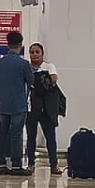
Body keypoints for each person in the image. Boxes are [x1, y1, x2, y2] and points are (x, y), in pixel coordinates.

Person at [0, 31, 34, 176]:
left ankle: (1, 164)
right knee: (16, 135)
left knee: (2, 134)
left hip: (3, 105)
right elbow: (31, 81)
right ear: (20, 45)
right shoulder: (23, 64)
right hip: (18, 105)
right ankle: (16, 165)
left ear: (7, 44)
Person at [25, 43, 62, 174]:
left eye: (37, 52)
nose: (35, 55)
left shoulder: (48, 66)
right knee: (31, 137)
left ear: (42, 53)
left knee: (50, 137)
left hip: (46, 108)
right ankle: (30, 163)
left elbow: (53, 79)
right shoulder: (26, 68)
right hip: (31, 107)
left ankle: (54, 164)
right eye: (32, 52)